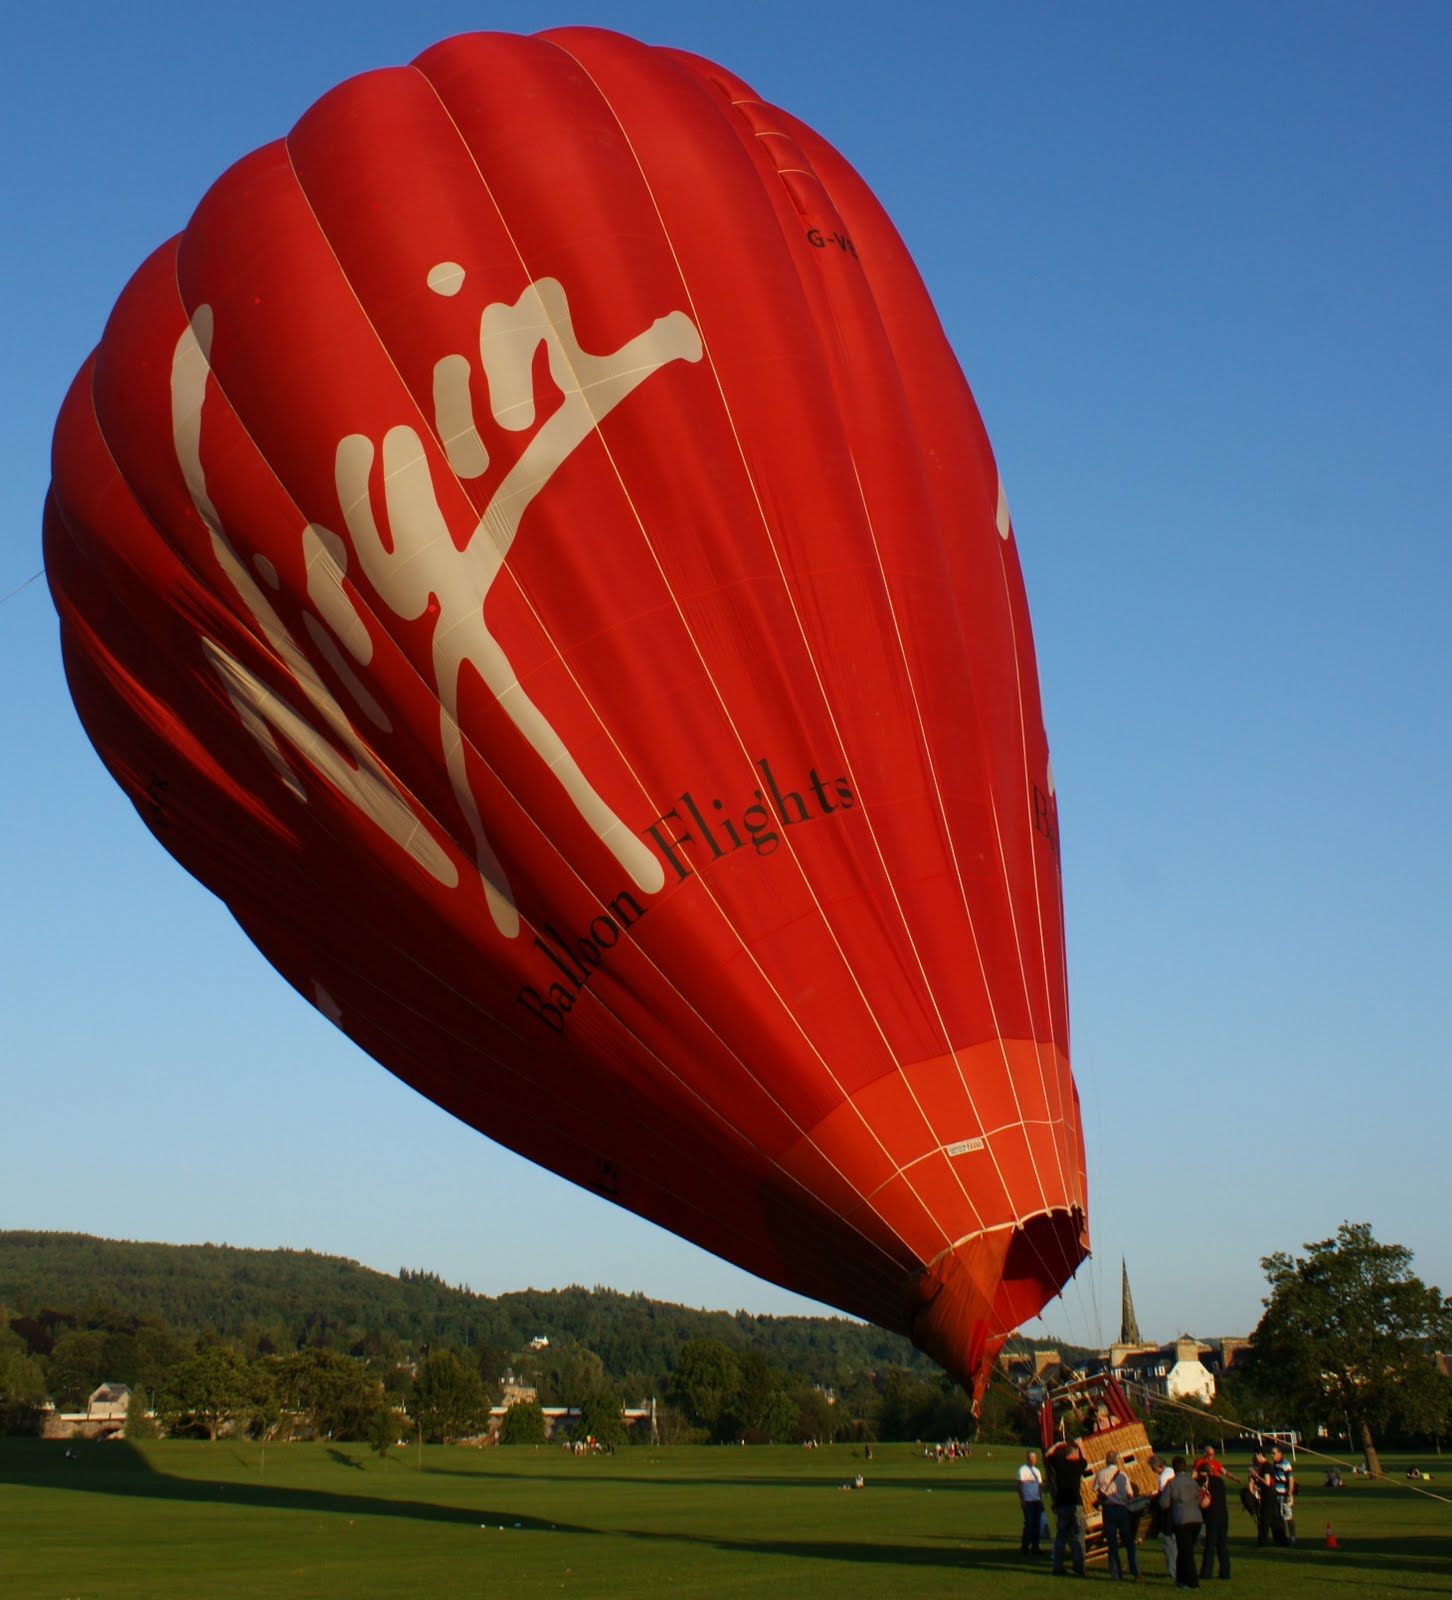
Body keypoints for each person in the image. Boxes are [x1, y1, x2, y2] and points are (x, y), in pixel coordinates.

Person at [1044, 1436, 1092, 1577]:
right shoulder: (1077, 1465)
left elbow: (1048, 1454)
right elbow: (1086, 1461)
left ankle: (1057, 1567)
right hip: (1075, 1503)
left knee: (1061, 1536)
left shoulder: (1059, 1463)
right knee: (1078, 1535)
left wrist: (1057, 1444)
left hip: (1061, 1505)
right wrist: (1081, 1445)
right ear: (1074, 1454)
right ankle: (1079, 1566)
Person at [1094, 1449, 1141, 1581]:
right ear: (1117, 1461)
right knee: (1128, 1541)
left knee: (1112, 1542)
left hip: (1108, 1510)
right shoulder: (1123, 1475)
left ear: (1106, 1461)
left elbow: (1094, 1488)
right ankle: (1135, 1571)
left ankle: (1116, 1573)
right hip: (1122, 1509)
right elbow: (1130, 1494)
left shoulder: (1101, 1473)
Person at [1159, 1454, 1204, 1589]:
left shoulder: (1172, 1484)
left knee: (1186, 1553)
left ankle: (1192, 1582)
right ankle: (1181, 1579)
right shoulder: (1192, 1482)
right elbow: (1199, 1498)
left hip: (1181, 1520)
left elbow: (1164, 1503)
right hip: (1196, 1519)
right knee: (1185, 1551)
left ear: (1174, 1468)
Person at [1196, 1455, 1231, 1580]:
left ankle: (1206, 1573)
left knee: (1210, 1545)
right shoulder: (1220, 1481)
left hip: (1212, 1516)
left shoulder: (1203, 1480)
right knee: (1222, 1545)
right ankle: (1225, 1572)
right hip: (1223, 1515)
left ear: (1203, 1473)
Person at [1150, 1453, 1177, 1578]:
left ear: (1158, 1467)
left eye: (1154, 1469)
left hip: (1168, 1514)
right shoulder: (1172, 1471)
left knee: (1168, 1543)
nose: (1154, 1472)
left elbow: (1162, 1496)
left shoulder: (1163, 1477)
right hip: (1178, 1511)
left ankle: (1172, 1571)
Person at [1017, 1448, 1045, 1556]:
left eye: (1034, 1458)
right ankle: (1025, 1546)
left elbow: (1039, 1487)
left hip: (1036, 1500)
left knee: (1036, 1524)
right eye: (1031, 1458)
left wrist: (1041, 1499)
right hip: (1028, 1501)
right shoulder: (1022, 1470)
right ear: (1028, 1458)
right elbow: (1019, 1486)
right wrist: (1022, 1499)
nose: (1033, 1460)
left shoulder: (1037, 1471)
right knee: (1029, 1523)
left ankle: (1035, 1546)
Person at [1269, 1446, 1296, 1544]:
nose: (1272, 1455)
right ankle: (1281, 1538)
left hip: (1285, 1495)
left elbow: (1291, 1480)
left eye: (1274, 1453)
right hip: (1276, 1495)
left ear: (1280, 1453)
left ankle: (1292, 1537)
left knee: (1288, 1517)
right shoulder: (1273, 1465)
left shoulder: (1286, 1464)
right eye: (1271, 1453)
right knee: (1278, 1518)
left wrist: (1289, 1494)